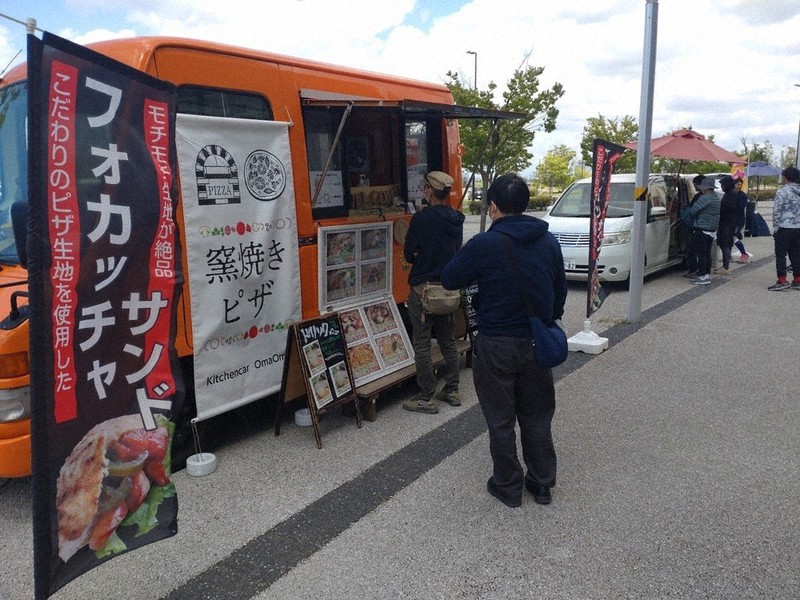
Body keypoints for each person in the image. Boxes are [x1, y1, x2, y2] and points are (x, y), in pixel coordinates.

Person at [441, 174, 567, 508]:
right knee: (537, 416)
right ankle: (541, 484)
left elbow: (450, 278)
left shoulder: (484, 244)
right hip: (536, 341)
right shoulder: (548, 241)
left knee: (500, 419)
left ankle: (508, 486)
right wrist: (546, 320)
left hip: (495, 342)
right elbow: (559, 292)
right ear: (524, 204)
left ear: (493, 207)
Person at [402, 170, 465, 413]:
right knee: (448, 340)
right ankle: (452, 389)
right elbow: (456, 250)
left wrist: (420, 253)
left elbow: (409, 254)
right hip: (447, 289)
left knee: (422, 343)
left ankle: (426, 396)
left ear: (429, 190)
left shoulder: (421, 219)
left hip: (423, 289)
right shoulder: (456, 218)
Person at [767, 166, 800, 291]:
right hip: (798, 227)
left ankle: (782, 280)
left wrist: (775, 227)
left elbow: (777, 211)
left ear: (786, 177)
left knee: (781, 255)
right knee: (796, 254)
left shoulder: (782, 192)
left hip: (784, 227)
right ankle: (797, 279)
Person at [684, 177, 720, 286]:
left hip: (702, 228)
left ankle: (702, 276)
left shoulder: (705, 198)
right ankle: (706, 275)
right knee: (707, 253)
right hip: (711, 229)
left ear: (705, 187)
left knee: (701, 254)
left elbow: (693, 211)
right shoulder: (715, 197)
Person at [713, 176, 738, 275]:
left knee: (725, 244)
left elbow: (728, 208)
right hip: (728, 223)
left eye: (723, 185)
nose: (722, 187)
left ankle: (725, 266)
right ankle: (725, 265)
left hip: (727, 223)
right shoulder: (730, 194)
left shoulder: (731, 195)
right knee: (726, 244)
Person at [681, 174, 705, 278]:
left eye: (695, 185)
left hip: (698, 227)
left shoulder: (700, 197)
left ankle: (696, 271)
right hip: (703, 227)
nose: (694, 187)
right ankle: (702, 271)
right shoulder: (709, 196)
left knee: (694, 250)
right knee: (702, 251)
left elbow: (693, 210)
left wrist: (685, 210)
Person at [732, 177, 751, 263]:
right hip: (732, 219)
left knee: (734, 236)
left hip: (739, 220)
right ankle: (728, 255)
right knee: (731, 237)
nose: (739, 186)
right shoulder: (731, 194)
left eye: (740, 185)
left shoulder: (742, 195)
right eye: (737, 185)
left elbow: (741, 207)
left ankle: (744, 253)